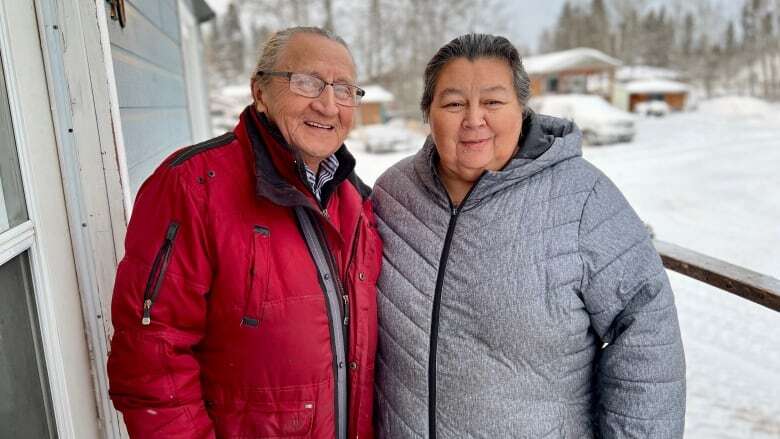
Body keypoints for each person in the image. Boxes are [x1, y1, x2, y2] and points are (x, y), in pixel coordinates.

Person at [372, 33, 686, 438]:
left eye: (493, 102)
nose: (473, 119)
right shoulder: (392, 195)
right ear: (427, 112)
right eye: (453, 103)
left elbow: (646, 331)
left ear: (521, 107)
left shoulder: (583, 198)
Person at [108, 26, 382, 439]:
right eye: (306, 83)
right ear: (260, 92)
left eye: (344, 89)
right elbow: (151, 363)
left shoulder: (356, 202)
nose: (328, 105)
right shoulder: (194, 186)